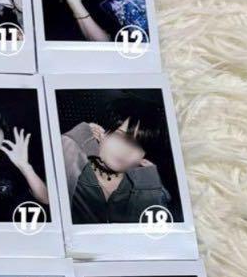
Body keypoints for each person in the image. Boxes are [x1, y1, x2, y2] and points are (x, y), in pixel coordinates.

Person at [60, 95, 172, 225]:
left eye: (139, 145)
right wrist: (81, 133)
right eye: (120, 137)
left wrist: (148, 190)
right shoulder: (75, 164)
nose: (125, 150)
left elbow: (151, 233)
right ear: (100, 132)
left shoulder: (151, 186)